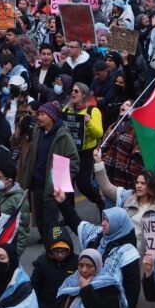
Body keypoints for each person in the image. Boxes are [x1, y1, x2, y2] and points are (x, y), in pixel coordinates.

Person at [93, 148, 155, 308]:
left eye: (142, 183)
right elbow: (107, 187)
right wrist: (99, 163)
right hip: (127, 256)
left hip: (147, 257)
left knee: (148, 297)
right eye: (137, 182)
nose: (138, 186)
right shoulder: (126, 198)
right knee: (131, 295)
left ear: (151, 186)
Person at [53, 190, 141, 308]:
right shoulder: (98, 236)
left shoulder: (128, 251)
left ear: (118, 224)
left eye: (108, 220)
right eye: (104, 218)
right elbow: (76, 223)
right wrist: (63, 202)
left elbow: (132, 286)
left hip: (110, 307)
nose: (104, 223)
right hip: (87, 302)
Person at [21, 102, 79, 243]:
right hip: (37, 183)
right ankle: (47, 241)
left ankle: (57, 242)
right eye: (38, 114)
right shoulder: (38, 131)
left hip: (53, 186)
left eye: (42, 114)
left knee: (52, 221)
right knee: (40, 219)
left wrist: (60, 180)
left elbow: (74, 161)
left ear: (51, 117)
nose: (39, 117)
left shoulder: (63, 135)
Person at [32, 225, 78, 308]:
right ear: (49, 250)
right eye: (56, 251)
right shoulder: (42, 262)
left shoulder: (77, 262)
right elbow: (35, 286)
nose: (60, 255)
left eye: (64, 251)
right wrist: (40, 307)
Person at [61, 82, 105, 214]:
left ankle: (99, 201)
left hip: (85, 152)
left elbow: (99, 133)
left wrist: (88, 122)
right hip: (68, 150)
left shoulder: (93, 111)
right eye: (72, 91)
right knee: (65, 184)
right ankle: (70, 214)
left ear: (84, 95)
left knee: (83, 184)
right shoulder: (66, 110)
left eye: (76, 91)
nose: (72, 93)